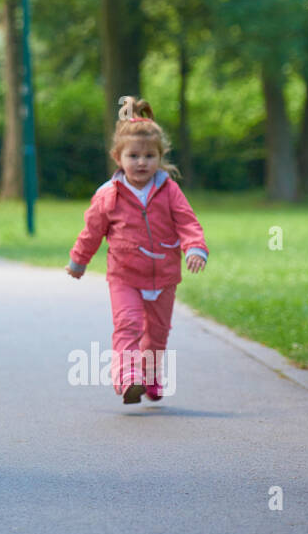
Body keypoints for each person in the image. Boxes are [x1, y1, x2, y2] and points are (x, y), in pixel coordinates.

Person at [67, 96, 209, 403]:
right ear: (118, 157)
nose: (141, 162)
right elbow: (92, 232)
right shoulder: (108, 195)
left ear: (160, 157)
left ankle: (152, 377)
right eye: (133, 155)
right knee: (127, 325)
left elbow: (187, 222)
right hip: (125, 275)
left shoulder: (169, 189)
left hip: (163, 276)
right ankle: (129, 379)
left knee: (157, 335)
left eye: (149, 155)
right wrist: (78, 261)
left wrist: (195, 248)